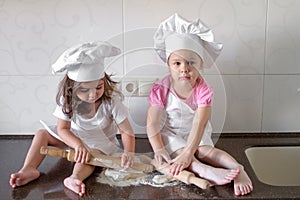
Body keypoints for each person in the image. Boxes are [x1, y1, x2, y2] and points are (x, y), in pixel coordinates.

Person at [9, 41, 135, 196]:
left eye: (98, 87)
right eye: (84, 89)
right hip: (73, 139)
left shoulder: (111, 101)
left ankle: (75, 177)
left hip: (100, 144)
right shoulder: (67, 100)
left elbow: (126, 130)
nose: (92, 94)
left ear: (105, 82)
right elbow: (63, 129)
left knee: (89, 154)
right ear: (72, 89)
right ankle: (28, 168)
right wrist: (77, 144)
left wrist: (129, 152)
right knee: (42, 134)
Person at [147, 13, 253, 196]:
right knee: (178, 149)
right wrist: (158, 149)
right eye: (177, 63)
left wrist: (190, 151)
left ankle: (238, 169)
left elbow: (199, 123)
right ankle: (203, 170)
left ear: (201, 65)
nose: (184, 68)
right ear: (168, 66)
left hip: (198, 131)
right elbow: (152, 123)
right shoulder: (161, 88)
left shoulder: (202, 90)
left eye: (191, 62)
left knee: (205, 151)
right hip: (172, 132)